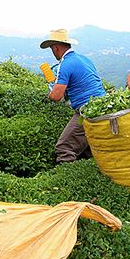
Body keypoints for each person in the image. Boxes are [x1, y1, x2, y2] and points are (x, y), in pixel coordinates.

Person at [41, 29, 106, 163]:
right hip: (102, 105)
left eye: (51, 48)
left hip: (88, 110)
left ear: (56, 47)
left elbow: (56, 96)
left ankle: (63, 181)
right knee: (88, 149)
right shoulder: (84, 59)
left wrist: (51, 89)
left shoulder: (65, 65)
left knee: (64, 147)